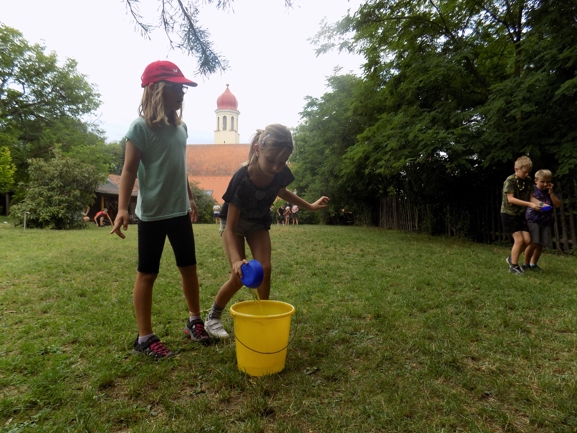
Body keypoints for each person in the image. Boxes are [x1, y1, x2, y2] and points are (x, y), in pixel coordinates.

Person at [111, 60, 209, 359]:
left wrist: (191, 199)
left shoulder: (181, 129)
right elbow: (128, 170)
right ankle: (145, 337)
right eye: (177, 87)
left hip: (179, 211)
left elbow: (180, 169)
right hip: (152, 213)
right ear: (157, 90)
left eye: (183, 88)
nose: (182, 93)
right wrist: (122, 209)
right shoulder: (139, 128)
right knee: (147, 273)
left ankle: (194, 321)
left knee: (189, 269)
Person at [205, 124, 330, 338]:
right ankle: (213, 317)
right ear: (257, 150)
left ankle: (263, 316)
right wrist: (236, 260)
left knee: (265, 268)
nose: (275, 167)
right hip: (234, 225)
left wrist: (309, 205)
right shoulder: (242, 178)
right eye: (271, 160)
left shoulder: (280, 173)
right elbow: (230, 228)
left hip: (258, 223)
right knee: (239, 275)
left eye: (282, 162)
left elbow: (282, 191)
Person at [500, 156, 542, 276]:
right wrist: (530, 204)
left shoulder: (528, 180)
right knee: (519, 240)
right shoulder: (510, 180)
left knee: (528, 240)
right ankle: (513, 266)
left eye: (529, 171)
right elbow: (511, 199)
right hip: (508, 213)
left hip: (520, 214)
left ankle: (511, 258)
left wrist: (541, 204)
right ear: (516, 169)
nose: (527, 173)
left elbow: (530, 197)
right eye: (524, 171)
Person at [522, 169, 561, 271]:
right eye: (542, 182)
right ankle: (525, 264)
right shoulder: (532, 190)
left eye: (548, 182)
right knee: (533, 243)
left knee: (540, 245)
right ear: (536, 181)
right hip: (533, 219)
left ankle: (533, 264)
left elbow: (557, 205)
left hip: (546, 220)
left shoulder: (551, 192)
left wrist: (551, 193)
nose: (545, 184)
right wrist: (542, 205)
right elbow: (530, 200)